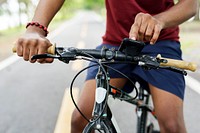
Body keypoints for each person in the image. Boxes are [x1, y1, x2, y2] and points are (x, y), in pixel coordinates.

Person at [15, 0, 197, 132]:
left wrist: (159, 20)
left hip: (161, 43)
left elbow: (190, 5)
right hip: (114, 44)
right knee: (80, 120)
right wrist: (35, 29)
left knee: (172, 125)